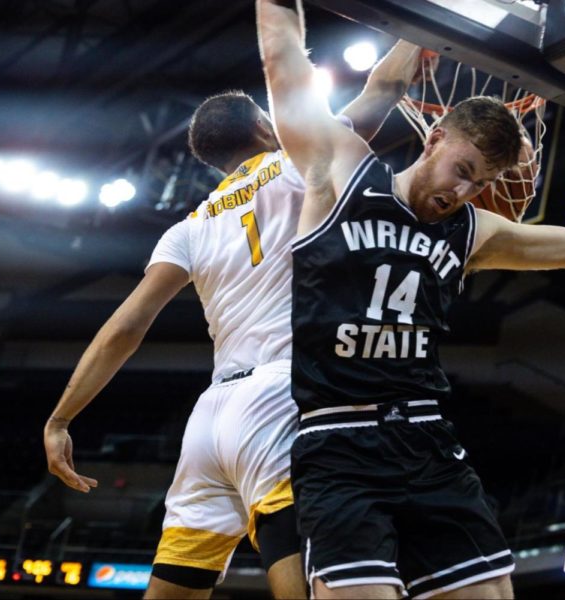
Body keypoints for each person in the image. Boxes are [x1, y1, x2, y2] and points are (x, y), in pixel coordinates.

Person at [256, 1, 565, 598]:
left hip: (427, 441)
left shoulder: (471, 230)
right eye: (463, 169)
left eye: (479, 183)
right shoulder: (342, 174)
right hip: (338, 442)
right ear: (434, 139)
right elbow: (282, 64)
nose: (464, 191)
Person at [43, 39, 425, 599]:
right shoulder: (300, 162)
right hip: (280, 395)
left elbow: (125, 326)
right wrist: (420, 33)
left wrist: (59, 419)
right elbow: (384, 89)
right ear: (268, 131)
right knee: (313, 577)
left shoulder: (190, 227)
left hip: (211, 418)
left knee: (175, 584)